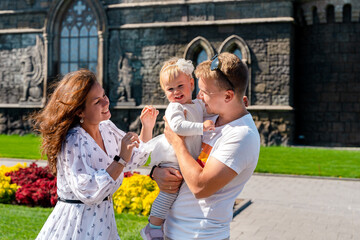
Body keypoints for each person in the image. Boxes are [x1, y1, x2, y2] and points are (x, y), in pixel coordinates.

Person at [33, 69, 158, 240]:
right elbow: (89, 192)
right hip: (77, 226)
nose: (106, 103)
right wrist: (121, 158)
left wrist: (147, 127)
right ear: (80, 111)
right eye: (97, 101)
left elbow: (135, 158)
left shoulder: (106, 127)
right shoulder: (74, 140)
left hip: (103, 223)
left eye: (104, 96)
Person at [152, 52, 260, 239]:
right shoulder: (212, 117)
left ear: (228, 96)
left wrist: (177, 142)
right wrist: (156, 172)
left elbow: (200, 187)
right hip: (175, 230)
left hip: (200, 234)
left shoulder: (241, 136)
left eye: (205, 92)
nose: (199, 97)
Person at [141, 58, 215, 240]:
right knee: (169, 191)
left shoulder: (196, 105)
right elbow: (178, 127)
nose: (176, 92)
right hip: (173, 159)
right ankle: (153, 227)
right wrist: (201, 127)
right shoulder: (174, 108)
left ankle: (165, 220)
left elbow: (211, 112)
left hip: (187, 155)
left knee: (178, 194)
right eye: (170, 89)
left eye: (180, 86)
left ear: (191, 83)